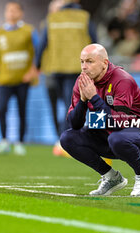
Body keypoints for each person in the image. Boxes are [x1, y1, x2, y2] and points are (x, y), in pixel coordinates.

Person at [60, 44, 140, 197]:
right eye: (82, 62)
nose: (84, 67)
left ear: (104, 63)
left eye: (89, 61)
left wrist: (94, 97)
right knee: (68, 138)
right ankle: (112, 178)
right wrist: (83, 101)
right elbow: (74, 124)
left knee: (117, 138)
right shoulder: (83, 81)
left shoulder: (122, 80)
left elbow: (119, 121)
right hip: (109, 134)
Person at [35, 0, 97, 156]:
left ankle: (64, 139)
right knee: (72, 104)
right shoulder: (84, 17)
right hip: (77, 68)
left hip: (55, 69)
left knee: (64, 105)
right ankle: (66, 139)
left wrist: (36, 65)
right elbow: (95, 41)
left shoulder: (52, 19)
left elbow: (43, 44)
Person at [0, 1, 39, 155]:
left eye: (14, 10)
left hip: (23, 78)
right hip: (4, 79)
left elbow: (38, 52)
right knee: (1, 109)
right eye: (8, 10)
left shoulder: (29, 31)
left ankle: (19, 142)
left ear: (20, 13)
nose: (11, 13)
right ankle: (4, 141)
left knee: (21, 110)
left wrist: (33, 71)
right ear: (5, 13)